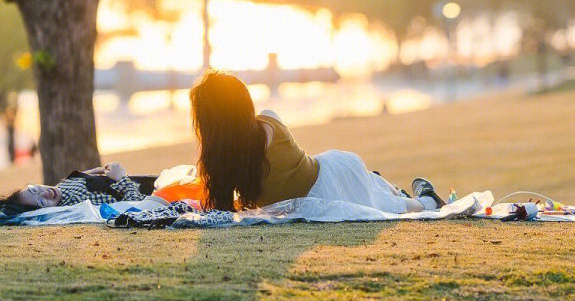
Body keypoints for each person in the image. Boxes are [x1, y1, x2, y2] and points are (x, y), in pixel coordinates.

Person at [189, 69, 446, 213]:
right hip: (327, 176)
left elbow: (223, 207)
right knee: (377, 193)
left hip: (331, 177)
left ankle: (429, 199)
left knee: (400, 206)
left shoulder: (230, 151)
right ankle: (383, 183)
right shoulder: (265, 122)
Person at [0, 162, 154, 215]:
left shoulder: (60, 188)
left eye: (34, 189)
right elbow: (136, 206)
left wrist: (93, 172)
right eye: (41, 201)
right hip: (152, 191)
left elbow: (77, 179)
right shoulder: (78, 204)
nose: (44, 192)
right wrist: (121, 178)